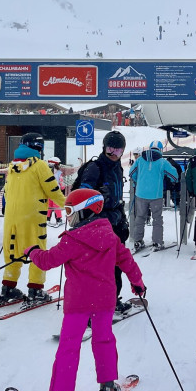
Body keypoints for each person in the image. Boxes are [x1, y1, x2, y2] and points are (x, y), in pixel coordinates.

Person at [28, 188, 145, 391]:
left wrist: (32, 252)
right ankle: (108, 387)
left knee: (68, 348)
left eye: (70, 211)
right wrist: (137, 282)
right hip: (104, 302)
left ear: (85, 211)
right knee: (104, 342)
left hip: (78, 304)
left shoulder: (72, 240)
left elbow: (48, 260)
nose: (67, 216)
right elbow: (126, 259)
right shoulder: (110, 237)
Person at [0, 134, 65, 305]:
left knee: (12, 252)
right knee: (36, 252)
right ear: (39, 148)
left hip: (12, 218)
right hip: (32, 218)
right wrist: (69, 206)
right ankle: (36, 289)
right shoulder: (39, 166)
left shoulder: (12, 166)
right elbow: (53, 190)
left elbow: (6, 191)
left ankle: (8, 287)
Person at [76, 130, 132, 313]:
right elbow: (79, 197)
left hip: (115, 222)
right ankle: (91, 304)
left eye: (117, 151)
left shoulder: (118, 168)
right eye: (110, 149)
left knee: (115, 265)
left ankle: (112, 300)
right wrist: (97, 197)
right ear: (104, 148)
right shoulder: (94, 167)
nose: (113, 155)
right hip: (97, 224)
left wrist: (121, 220)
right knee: (98, 267)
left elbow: (117, 198)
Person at [128, 141, 178, 252]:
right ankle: (157, 241)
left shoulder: (140, 159)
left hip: (141, 193)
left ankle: (138, 240)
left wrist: (138, 182)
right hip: (156, 195)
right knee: (157, 218)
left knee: (140, 217)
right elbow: (174, 175)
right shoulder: (162, 162)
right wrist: (172, 182)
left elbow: (131, 173)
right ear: (160, 150)